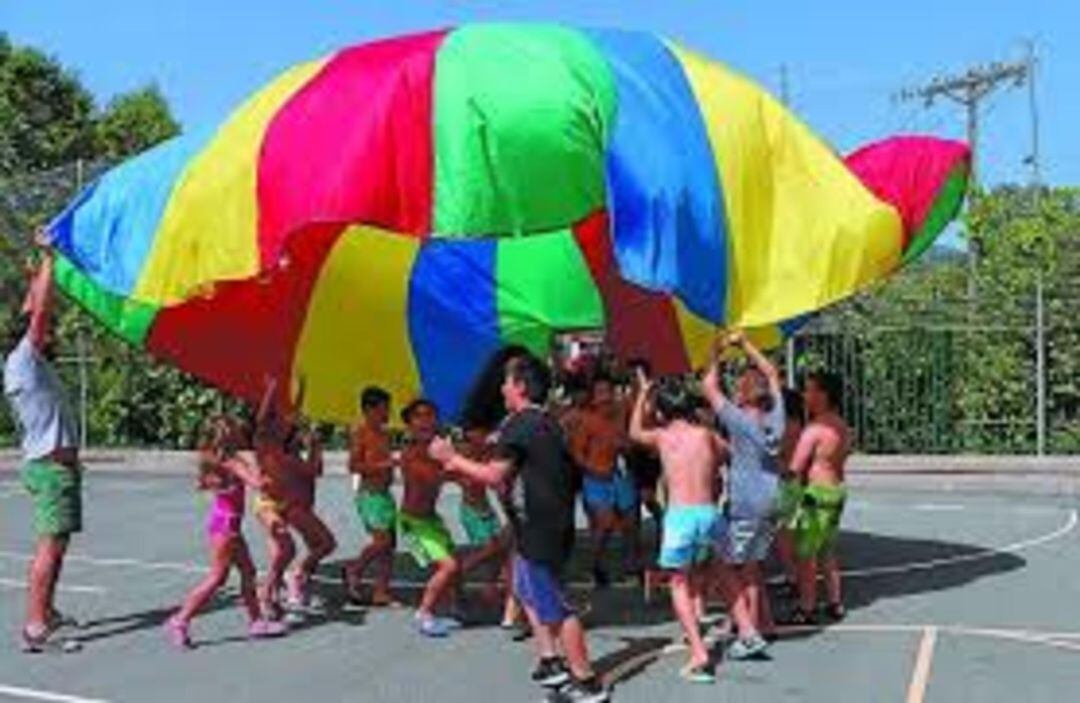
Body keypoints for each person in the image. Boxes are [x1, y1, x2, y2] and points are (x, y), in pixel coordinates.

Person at [430, 352, 610, 703]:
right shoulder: (544, 422)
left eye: (506, 381)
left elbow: (494, 475)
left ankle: (587, 683)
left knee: (557, 606)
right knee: (528, 591)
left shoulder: (522, 424)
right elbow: (513, 477)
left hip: (541, 529)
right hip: (539, 525)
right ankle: (550, 661)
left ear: (521, 387)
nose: (501, 388)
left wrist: (451, 459)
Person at [3, 232, 83, 653]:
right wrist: (50, 258)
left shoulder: (24, 364)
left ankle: (47, 611)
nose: (51, 330)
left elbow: (37, 309)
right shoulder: (25, 360)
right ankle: (35, 626)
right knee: (50, 546)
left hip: (53, 468)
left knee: (60, 544)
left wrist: (37, 268)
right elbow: (40, 312)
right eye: (41, 326)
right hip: (51, 470)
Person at [629, 372, 726, 684]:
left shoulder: (662, 436)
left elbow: (633, 432)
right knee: (706, 568)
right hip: (709, 512)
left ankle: (698, 651)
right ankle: (716, 621)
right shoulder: (705, 434)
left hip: (680, 515)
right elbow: (729, 454)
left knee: (678, 583)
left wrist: (643, 393)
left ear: (661, 411)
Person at [165, 417, 287, 648]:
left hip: (227, 526)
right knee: (217, 578)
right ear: (228, 436)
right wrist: (266, 471)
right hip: (226, 528)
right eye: (236, 431)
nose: (241, 432)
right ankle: (180, 620)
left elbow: (213, 483)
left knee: (248, 572)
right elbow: (258, 483)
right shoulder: (231, 461)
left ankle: (256, 622)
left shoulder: (215, 459)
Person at [701, 331, 785, 660]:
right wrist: (746, 344)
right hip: (771, 499)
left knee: (728, 566)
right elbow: (774, 374)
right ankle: (759, 624)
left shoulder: (738, 421)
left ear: (742, 395)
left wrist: (715, 350)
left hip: (746, 502)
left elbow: (708, 387)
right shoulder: (774, 417)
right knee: (751, 565)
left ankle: (748, 633)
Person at [788, 371, 852, 624]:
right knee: (826, 550)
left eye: (810, 389)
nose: (805, 395)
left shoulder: (814, 429)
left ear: (823, 395)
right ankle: (834, 602)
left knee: (805, 555)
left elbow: (795, 467)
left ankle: (807, 607)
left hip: (817, 493)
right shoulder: (842, 426)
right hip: (836, 491)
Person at [397, 399, 461, 637]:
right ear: (410, 423)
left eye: (431, 415)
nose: (426, 420)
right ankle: (423, 613)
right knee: (449, 566)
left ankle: (452, 605)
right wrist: (456, 465)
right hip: (412, 523)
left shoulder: (434, 448)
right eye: (420, 416)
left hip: (431, 519)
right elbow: (434, 477)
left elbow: (451, 470)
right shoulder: (410, 453)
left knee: (455, 564)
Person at [574, 374, 638, 587]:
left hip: (620, 476)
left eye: (608, 392)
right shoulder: (587, 421)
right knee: (605, 524)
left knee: (630, 522)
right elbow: (577, 453)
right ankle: (595, 567)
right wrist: (594, 470)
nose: (605, 398)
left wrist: (626, 446)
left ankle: (630, 568)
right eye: (600, 393)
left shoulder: (621, 413)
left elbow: (630, 441)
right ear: (593, 398)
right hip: (596, 479)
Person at [342, 386, 400, 606]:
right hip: (370, 495)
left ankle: (381, 591)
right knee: (382, 541)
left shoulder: (385, 434)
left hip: (385, 494)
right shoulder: (361, 433)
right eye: (384, 409)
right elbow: (353, 465)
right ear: (368, 410)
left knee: (389, 545)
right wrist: (383, 465)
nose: (387, 414)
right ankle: (353, 569)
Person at [456, 423, 513, 612]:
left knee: (501, 550)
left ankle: (489, 588)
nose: (484, 435)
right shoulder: (465, 454)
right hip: (472, 511)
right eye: (479, 432)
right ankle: (458, 573)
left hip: (486, 509)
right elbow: (466, 479)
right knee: (492, 549)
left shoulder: (486, 452)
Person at [624, 359, 665, 558]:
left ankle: (663, 536)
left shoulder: (652, 396)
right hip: (632, 455)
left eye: (637, 374)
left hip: (648, 456)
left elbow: (650, 419)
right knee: (632, 507)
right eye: (632, 375)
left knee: (648, 501)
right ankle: (635, 553)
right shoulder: (628, 395)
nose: (634, 378)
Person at [773, 388, 807, 594]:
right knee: (792, 535)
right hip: (796, 483)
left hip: (787, 483)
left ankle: (793, 578)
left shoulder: (787, 427)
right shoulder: (800, 426)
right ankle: (795, 577)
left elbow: (780, 456)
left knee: (784, 537)